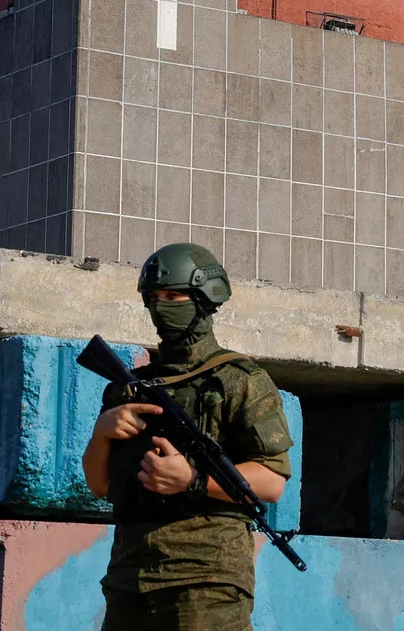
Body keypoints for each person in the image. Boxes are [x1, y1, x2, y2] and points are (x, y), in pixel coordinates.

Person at [83, 243, 293, 631]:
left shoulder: (239, 380)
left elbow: (272, 480)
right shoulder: (129, 389)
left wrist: (192, 480)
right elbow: (98, 484)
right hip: (129, 579)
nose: (161, 306)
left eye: (173, 295)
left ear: (203, 298)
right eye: (154, 297)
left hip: (205, 580)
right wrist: (103, 434)